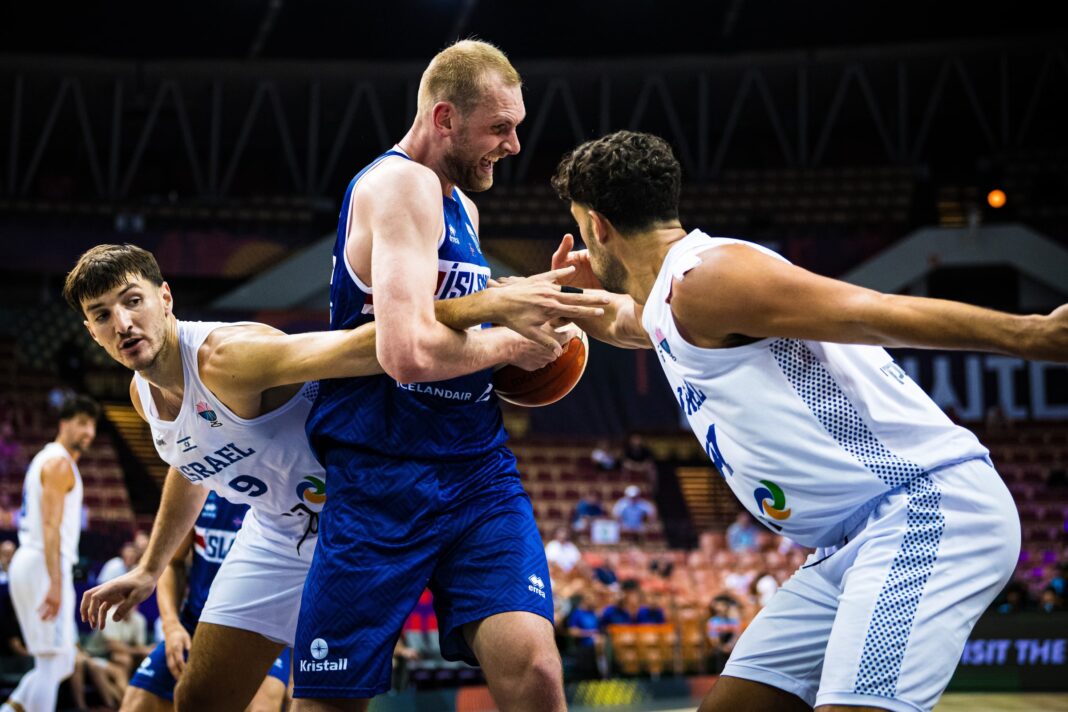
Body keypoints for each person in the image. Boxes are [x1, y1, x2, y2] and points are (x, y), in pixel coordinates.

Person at [549, 129, 1068, 712]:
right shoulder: (673, 302)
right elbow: (620, 319)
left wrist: (1031, 334)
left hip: (921, 504)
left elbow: (873, 312)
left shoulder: (708, 278)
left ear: (598, 227)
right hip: (844, 541)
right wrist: (554, 298)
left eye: (582, 230)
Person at [71, 245, 599, 705]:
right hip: (277, 533)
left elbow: (369, 347)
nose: (123, 323)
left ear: (164, 297)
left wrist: (493, 312)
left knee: (327, 698)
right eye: (102, 315)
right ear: (92, 331)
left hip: (362, 517)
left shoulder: (226, 359)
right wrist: (150, 568)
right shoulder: (143, 396)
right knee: (200, 699)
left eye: (133, 301)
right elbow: (191, 465)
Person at [294, 40, 602, 712]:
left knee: (538, 671)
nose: (513, 145)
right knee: (329, 699)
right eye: (500, 128)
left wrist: (536, 305)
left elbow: (455, 316)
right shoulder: (400, 185)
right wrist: (511, 344)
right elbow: (407, 353)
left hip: (475, 468)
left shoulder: (462, 205)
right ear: (444, 119)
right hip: (382, 472)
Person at [124, 491, 291, 712]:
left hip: (262, 627)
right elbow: (172, 562)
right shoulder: (201, 485)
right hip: (196, 623)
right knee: (136, 702)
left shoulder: (280, 490)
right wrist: (171, 626)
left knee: (264, 705)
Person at [2, 395, 98, 712]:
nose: (89, 432)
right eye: (82, 423)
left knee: (62, 662)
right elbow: (50, 525)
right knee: (52, 662)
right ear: (63, 424)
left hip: (37, 562)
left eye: (92, 425)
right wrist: (55, 582)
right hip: (43, 563)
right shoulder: (59, 463)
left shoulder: (48, 458)